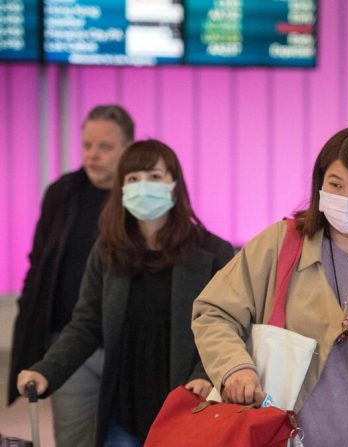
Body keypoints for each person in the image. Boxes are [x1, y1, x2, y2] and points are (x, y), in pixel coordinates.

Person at [192, 127, 348, 447]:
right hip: (280, 436)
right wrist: (235, 368)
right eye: (336, 185)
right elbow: (213, 311)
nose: (346, 199)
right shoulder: (279, 245)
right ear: (320, 184)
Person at [17, 140, 234, 446]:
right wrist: (46, 370)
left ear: (174, 184)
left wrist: (204, 376)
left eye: (155, 177)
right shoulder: (108, 251)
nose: (143, 187)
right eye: (133, 179)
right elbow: (86, 325)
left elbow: (227, 328)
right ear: (121, 189)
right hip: (126, 408)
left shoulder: (213, 253)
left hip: (188, 404)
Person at [7, 105, 134, 446]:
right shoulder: (63, 193)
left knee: (127, 437)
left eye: (104, 147)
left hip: (127, 347)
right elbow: (40, 265)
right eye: (87, 145)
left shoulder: (141, 197)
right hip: (70, 341)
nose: (93, 155)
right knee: (75, 439)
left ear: (128, 147)